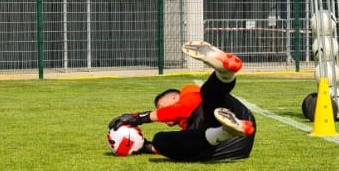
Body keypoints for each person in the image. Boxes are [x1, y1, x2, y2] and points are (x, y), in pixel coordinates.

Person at [107, 41, 256, 162]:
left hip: (238, 116)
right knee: (161, 140)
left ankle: (225, 73)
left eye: (160, 106)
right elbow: (177, 147)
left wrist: (140, 117)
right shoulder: (188, 129)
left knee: (207, 94)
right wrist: (145, 146)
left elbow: (183, 108)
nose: (163, 117)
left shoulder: (188, 92)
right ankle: (226, 131)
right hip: (231, 149)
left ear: (174, 97)